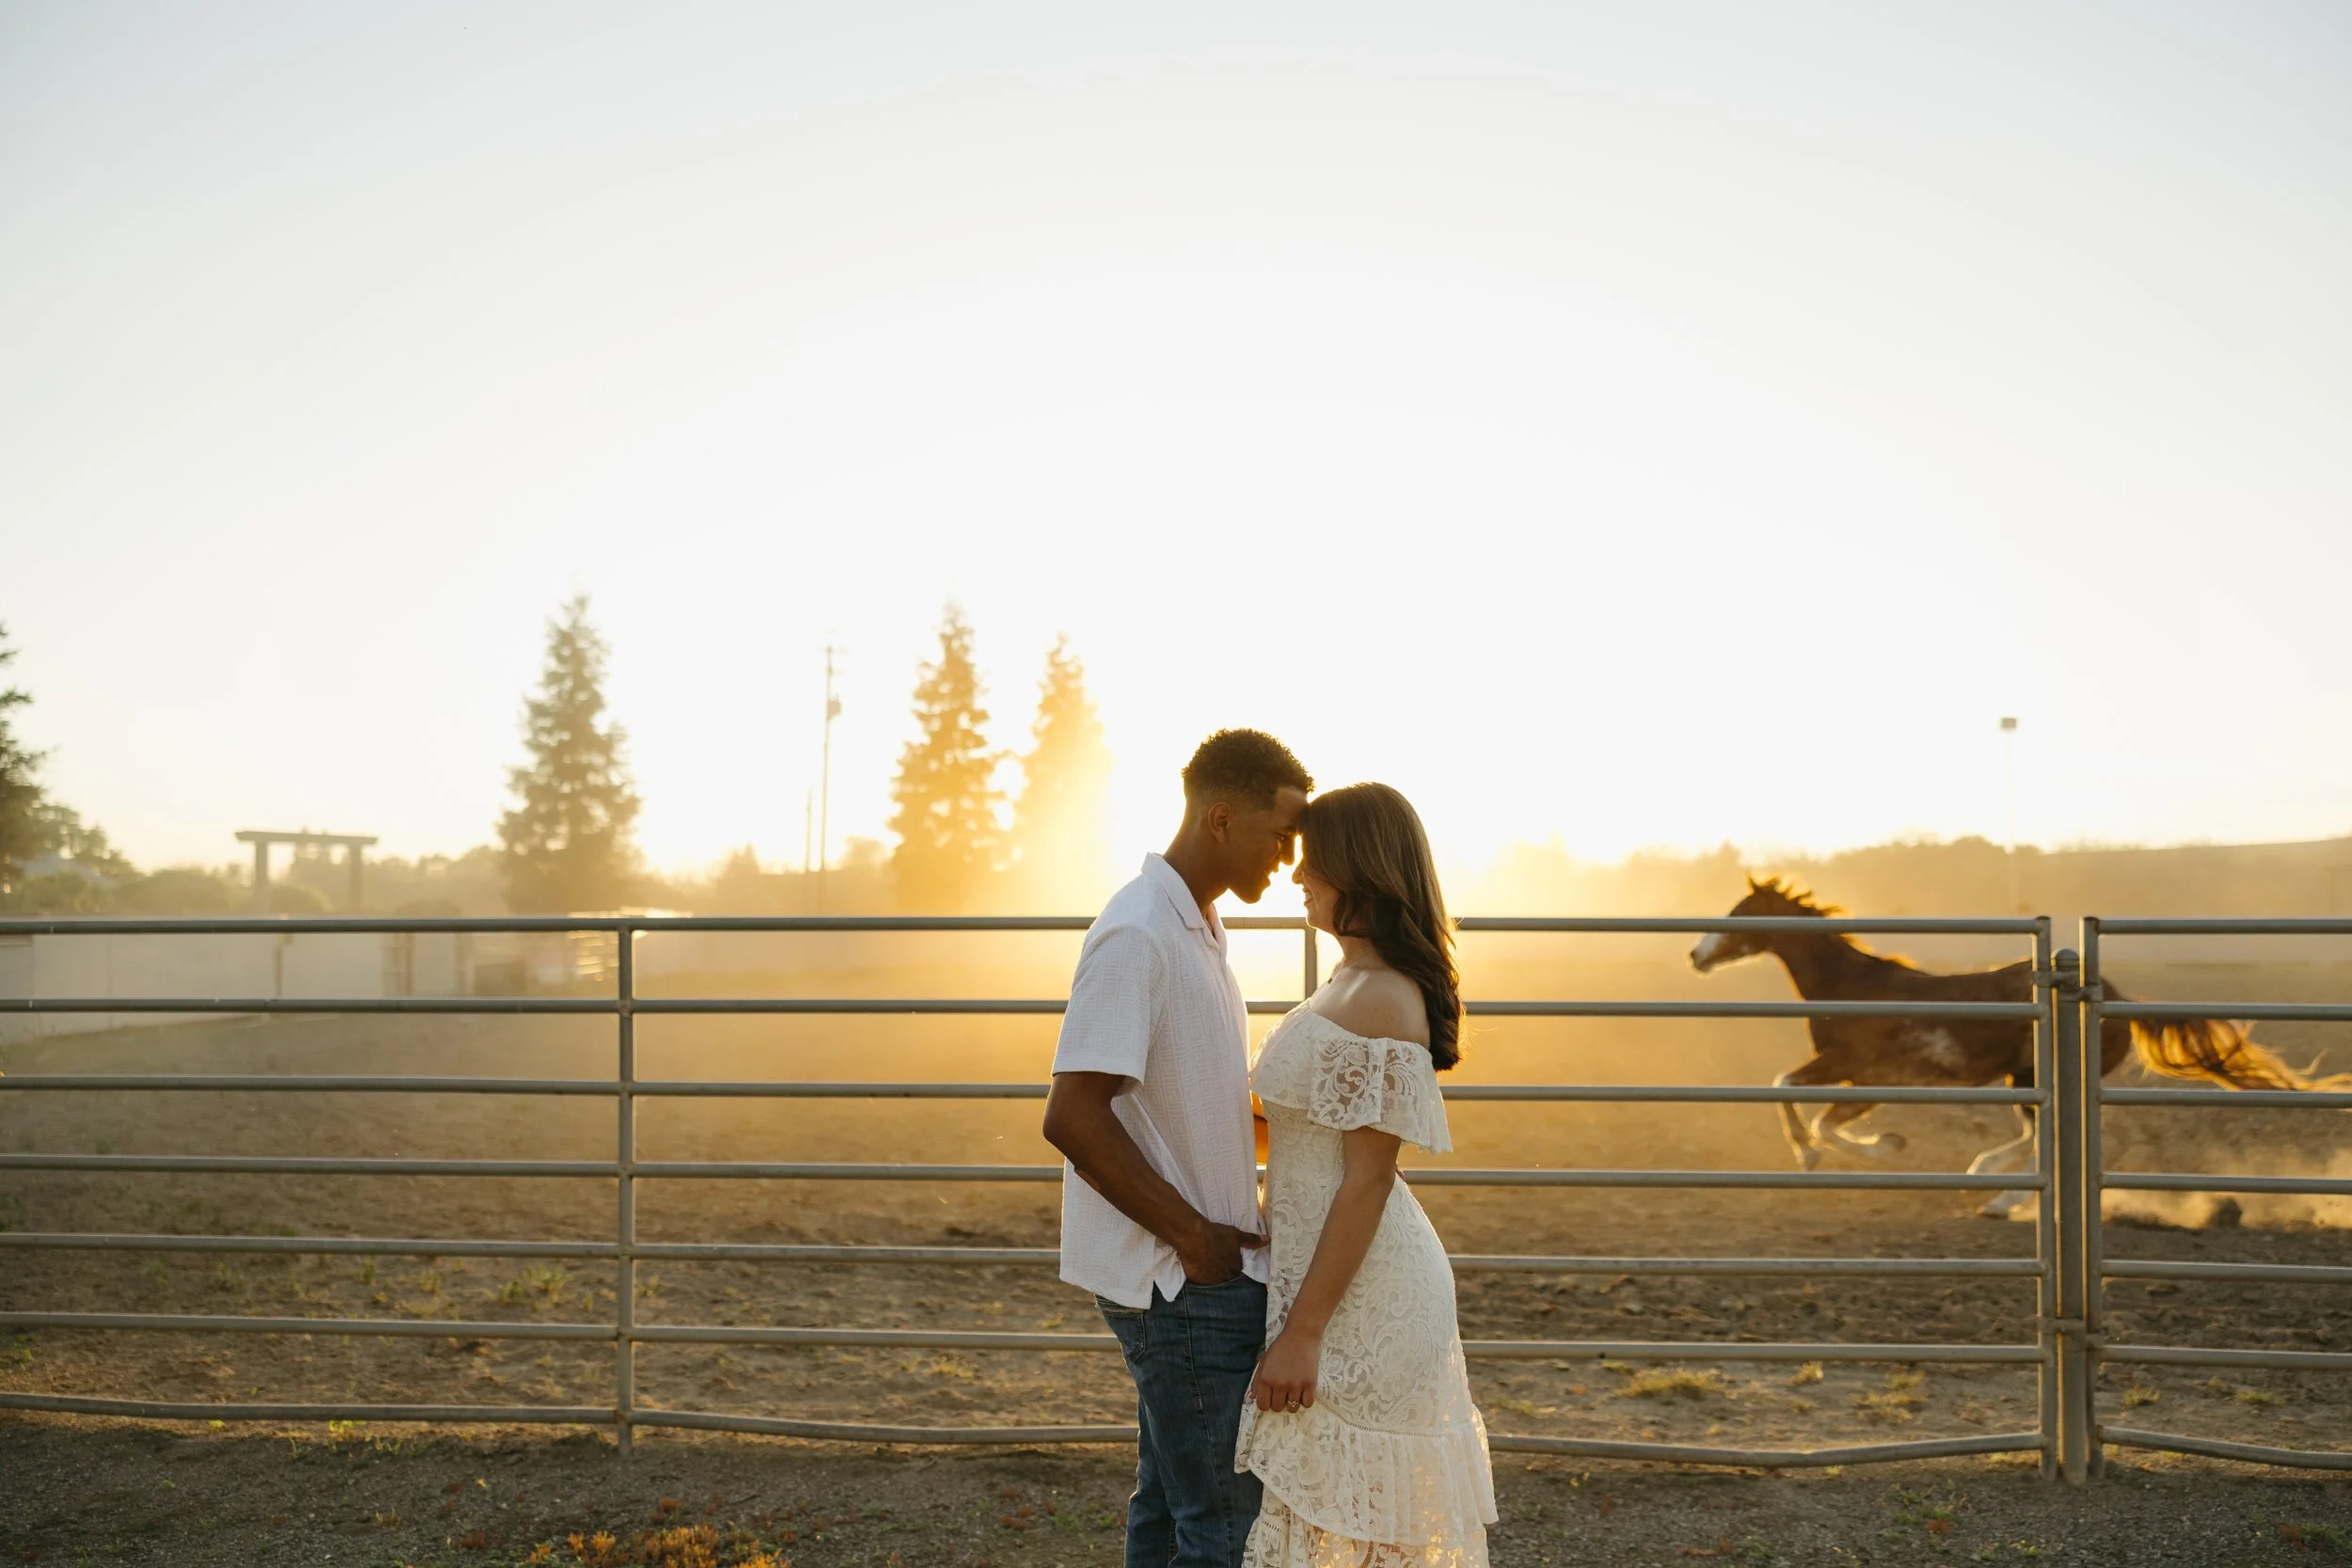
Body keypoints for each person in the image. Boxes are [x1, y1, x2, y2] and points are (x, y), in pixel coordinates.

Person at [1042, 728, 1315, 1568]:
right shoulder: (1139, 934)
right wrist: (1193, 1237)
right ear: (1222, 817)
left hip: (1194, 1270)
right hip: (1179, 1276)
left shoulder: (1196, 927)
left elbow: (1176, 1099)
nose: (1290, 854)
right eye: (1281, 830)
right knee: (1223, 1518)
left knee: (1170, 1504)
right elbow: (1074, 1115)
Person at [1234, 782, 1497, 1568]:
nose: (1295, 874)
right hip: (1331, 1279)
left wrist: (1303, 1332)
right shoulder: (1346, 981)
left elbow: (1367, 1179)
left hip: (1368, 1297)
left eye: (1313, 860)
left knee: (1369, 1534)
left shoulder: (1382, 997)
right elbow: (1291, 1124)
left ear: (1361, 868)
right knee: (1327, 1530)